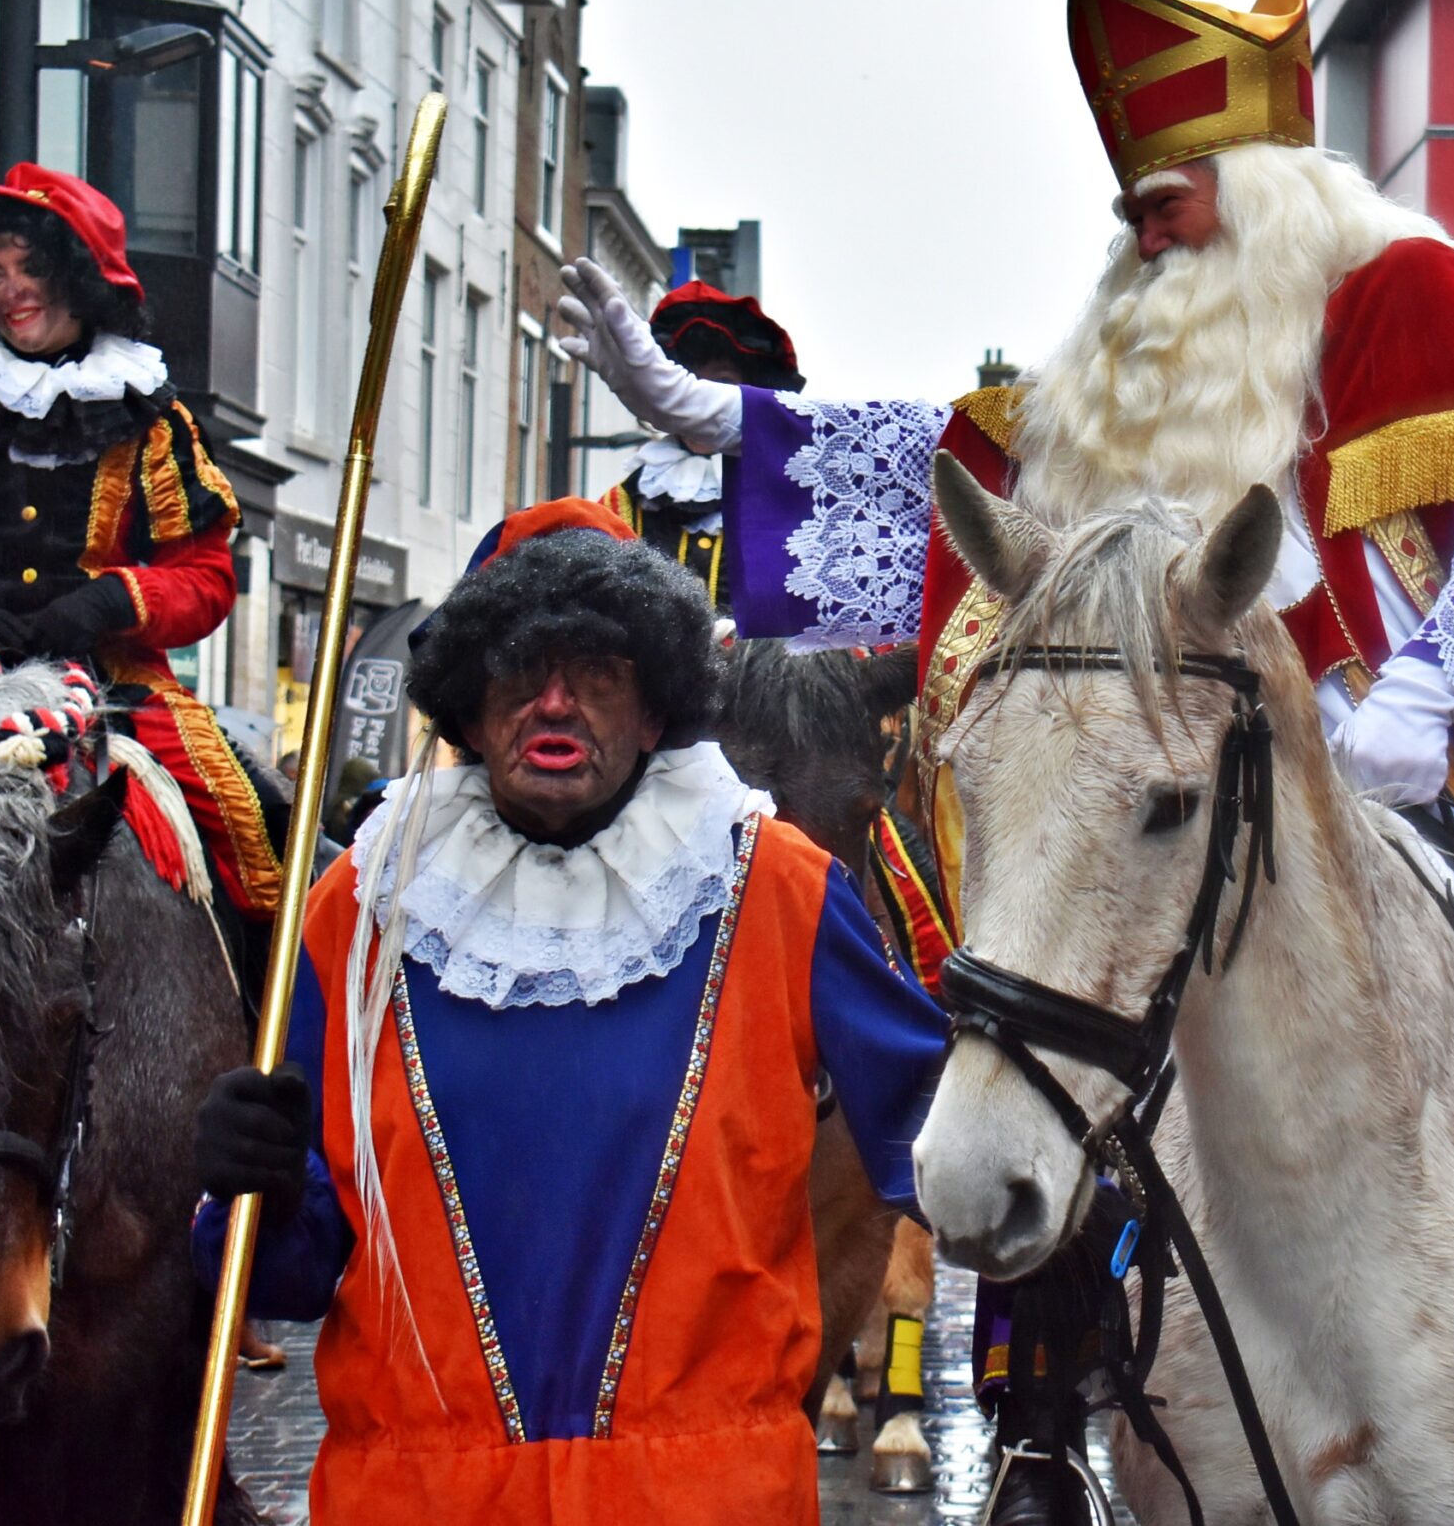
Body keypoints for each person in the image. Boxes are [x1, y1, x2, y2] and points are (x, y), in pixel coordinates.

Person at [561, 0, 1454, 1522]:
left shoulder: (1401, 293)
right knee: (1055, 1025)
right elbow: (954, 466)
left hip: (1426, 759)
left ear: (1269, 184)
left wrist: (1429, 686)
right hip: (1179, 763)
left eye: (1171, 199)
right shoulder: (1128, 368)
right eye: (1132, 208)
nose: (1140, 232)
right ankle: (1034, 1412)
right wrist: (719, 419)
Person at [189, 502, 947, 1522]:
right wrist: (259, 1190)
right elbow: (290, 1270)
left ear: (655, 709)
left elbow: (952, 1142)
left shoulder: (776, 890)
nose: (554, 703)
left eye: (597, 671)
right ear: (466, 702)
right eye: (517, 669)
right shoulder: (359, 908)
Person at [0, 164, 283, 921]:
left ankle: (274, 1022)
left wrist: (112, 601)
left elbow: (206, 577)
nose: (12, 290)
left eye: (32, 268)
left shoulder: (151, 421)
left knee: (252, 834)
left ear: (82, 279)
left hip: (114, 682)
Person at [599, 279, 804, 599]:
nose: (699, 398)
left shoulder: (788, 504)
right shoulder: (617, 506)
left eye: (721, 382)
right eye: (688, 380)